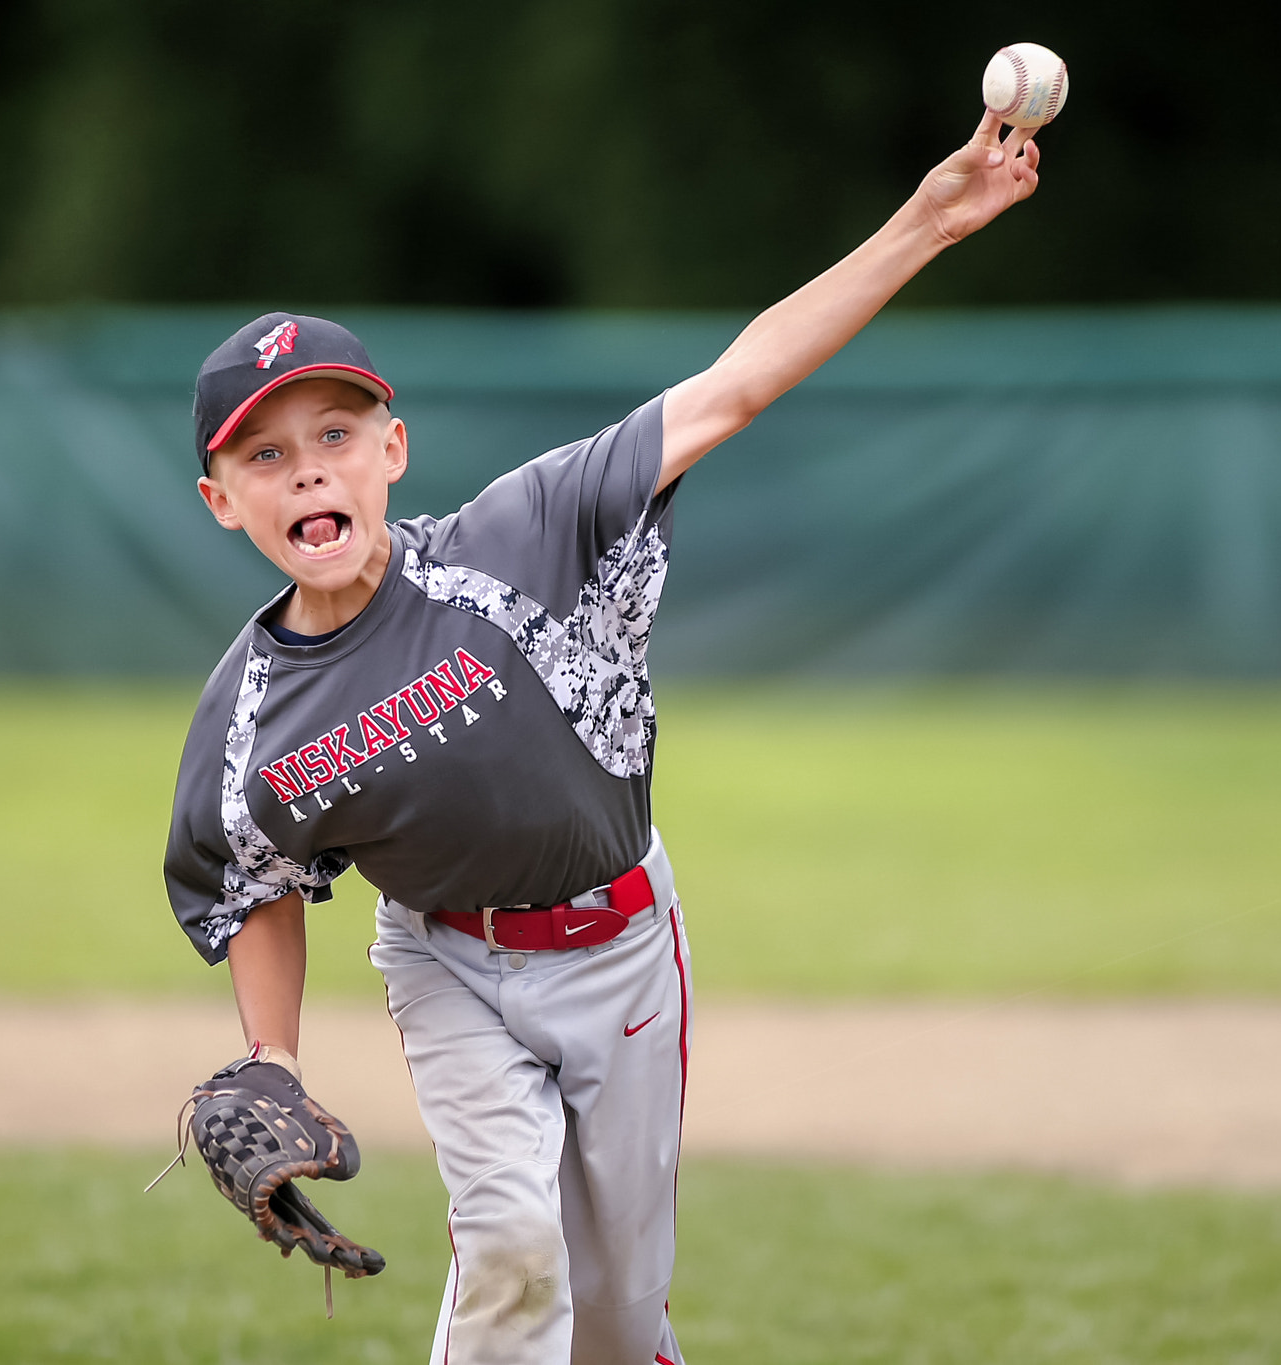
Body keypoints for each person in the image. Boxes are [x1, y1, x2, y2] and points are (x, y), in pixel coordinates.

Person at [163, 107, 1044, 1363]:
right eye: (264, 454)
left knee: (620, 1319)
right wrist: (271, 1060)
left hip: (623, 942)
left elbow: (734, 384)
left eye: (336, 435)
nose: (308, 471)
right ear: (221, 502)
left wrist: (929, 220)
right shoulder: (253, 711)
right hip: (448, 966)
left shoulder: (523, 539)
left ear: (391, 451)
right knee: (513, 1247)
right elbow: (256, 877)